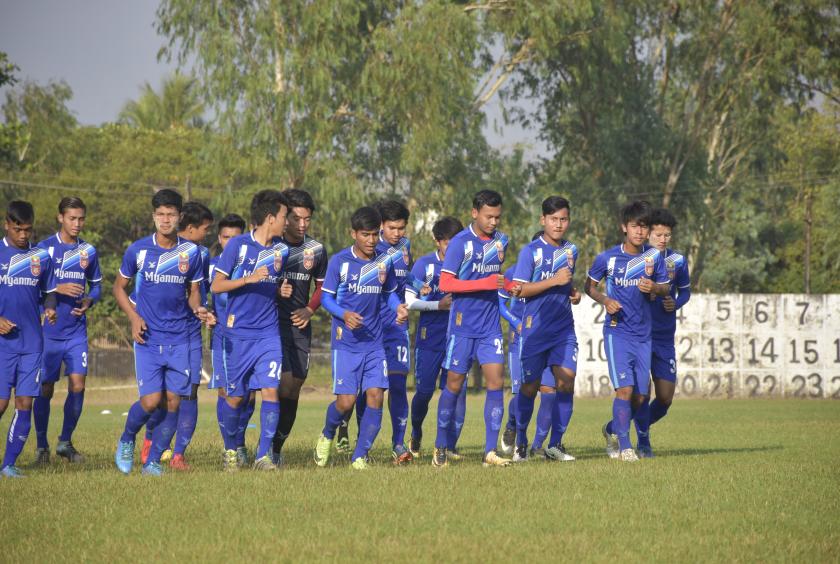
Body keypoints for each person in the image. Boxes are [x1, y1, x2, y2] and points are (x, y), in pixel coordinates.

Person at [113, 189, 205, 476]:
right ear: (154, 217)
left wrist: (199, 310)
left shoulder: (191, 253)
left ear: (179, 218)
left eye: (171, 215)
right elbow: (118, 287)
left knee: (174, 400)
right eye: (160, 214)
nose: (165, 220)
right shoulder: (138, 250)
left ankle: (152, 461)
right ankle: (127, 438)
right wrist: (132, 316)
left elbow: (193, 293)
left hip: (180, 338)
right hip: (149, 338)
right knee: (152, 401)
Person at [313, 206, 408, 470]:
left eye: (374, 235)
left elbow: (388, 293)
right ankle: (328, 433)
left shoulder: (383, 260)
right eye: (365, 234)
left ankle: (359, 455)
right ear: (353, 233)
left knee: (376, 395)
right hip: (346, 344)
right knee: (346, 401)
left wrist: (397, 307)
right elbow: (326, 298)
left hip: (374, 343)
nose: (371, 240)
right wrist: (344, 314)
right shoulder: (340, 262)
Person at [211, 190, 292, 471]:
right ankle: (231, 450)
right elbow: (217, 285)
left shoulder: (282, 250)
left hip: (268, 333)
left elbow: (274, 283)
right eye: (284, 216)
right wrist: (248, 279)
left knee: (270, 390)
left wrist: (280, 289)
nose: (287, 222)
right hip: (238, 334)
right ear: (270, 218)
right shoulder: (237, 246)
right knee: (235, 397)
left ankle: (263, 456)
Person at [584, 201, 669, 462]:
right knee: (625, 389)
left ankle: (612, 429)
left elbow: (666, 288)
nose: (640, 232)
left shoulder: (653, 257)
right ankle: (625, 445)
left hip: (644, 335)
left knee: (642, 395)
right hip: (617, 332)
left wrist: (654, 288)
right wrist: (605, 301)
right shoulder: (607, 258)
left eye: (644, 227)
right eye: (635, 226)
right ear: (624, 227)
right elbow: (589, 286)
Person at [434, 190, 514, 468]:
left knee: (496, 383)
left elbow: (498, 279)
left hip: (490, 327)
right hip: (462, 327)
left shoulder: (501, 242)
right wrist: (486, 283)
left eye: (497, 217)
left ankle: (490, 451)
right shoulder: (459, 243)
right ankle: (440, 446)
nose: (494, 222)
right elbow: (446, 284)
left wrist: (508, 284)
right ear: (474, 213)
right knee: (453, 385)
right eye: (488, 216)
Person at [141, 201, 215, 470]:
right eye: (205, 229)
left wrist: (204, 312)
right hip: (158, 334)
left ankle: (178, 454)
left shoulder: (201, 254)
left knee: (190, 391)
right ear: (191, 227)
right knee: (160, 395)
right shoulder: (153, 252)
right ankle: (150, 443)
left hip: (189, 333)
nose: (207, 234)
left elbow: (200, 292)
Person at [509, 198, 581, 462]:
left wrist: (573, 293)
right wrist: (554, 282)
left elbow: (566, 284)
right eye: (553, 219)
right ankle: (521, 442)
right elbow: (519, 290)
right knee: (529, 388)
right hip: (534, 330)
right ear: (543, 220)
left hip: (563, 329)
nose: (558, 224)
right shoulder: (530, 252)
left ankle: (556, 445)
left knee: (567, 380)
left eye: (563, 219)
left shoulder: (572, 250)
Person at [33, 197, 101, 465]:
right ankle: (41, 446)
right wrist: (57, 288)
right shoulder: (43, 250)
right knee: (46, 387)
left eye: (81, 218)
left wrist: (89, 300)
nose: (77, 223)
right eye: (72, 218)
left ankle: (65, 442)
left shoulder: (89, 251)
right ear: (60, 217)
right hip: (48, 332)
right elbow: (30, 286)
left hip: (76, 332)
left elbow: (96, 286)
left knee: (78, 384)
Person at [0, 200, 57, 477]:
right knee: (1, 403)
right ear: (7, 224)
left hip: (32, 343)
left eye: (28, 231)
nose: (23, 236)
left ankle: (8, 465)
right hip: (2, 345)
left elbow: (50, 291)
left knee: (25, 403)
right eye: (18, 229)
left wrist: (50, 306)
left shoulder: (41, 257)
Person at [272, 189, 327, 464]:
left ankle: (276, 449)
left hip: (298, 324)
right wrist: (274, 291)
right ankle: (260, 449)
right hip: (269, 324)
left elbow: (322, 287)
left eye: (307, 219)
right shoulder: (271, 246)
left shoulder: (315, 250)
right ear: (285, 217)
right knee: (276, 386)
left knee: (294, 385)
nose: (302, 225)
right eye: (296, 218)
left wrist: (309, 309)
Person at [633, 207, 690, 457]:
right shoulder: (637, 259)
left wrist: (675, 302)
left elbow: (685, 291)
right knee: (642, 392)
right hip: (640, 334)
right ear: (648, 235)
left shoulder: (677, 261)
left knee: (665, 398)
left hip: (665, 335)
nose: (662, 239)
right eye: (658, 234)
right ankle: (643, 442)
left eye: (667, 235)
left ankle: (616, 426)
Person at [405, 216, 463, 459]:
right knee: (425, 392)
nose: (453, 249)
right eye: (448, 243)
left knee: (456, 393)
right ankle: (416, 432)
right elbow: (408, 301)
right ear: (437, 242)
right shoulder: (424, 265)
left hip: (459, 336)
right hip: (429, 339)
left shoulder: (467, 266)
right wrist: (437, 305)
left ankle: (448, 446)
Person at [206, 213, 248, 465]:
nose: (230, 242)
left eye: (236, 238)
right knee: (226, 392)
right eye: (225, 237)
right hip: (223, 338)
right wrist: (205, 312)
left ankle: (240, 442)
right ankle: (230, 448)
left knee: (249, 395)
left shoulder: (255, 265)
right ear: (219, 238)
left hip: (253, 337)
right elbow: (198, 296)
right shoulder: (210, 266)